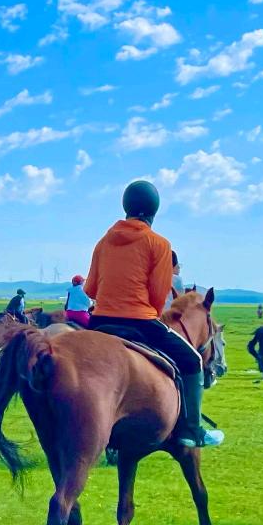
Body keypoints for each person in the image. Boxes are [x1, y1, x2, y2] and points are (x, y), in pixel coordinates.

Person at [85, 179, 223, 448]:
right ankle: (190, 430)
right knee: (192, 360)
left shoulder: (103, 242)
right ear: (154, 211)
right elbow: (159, 296)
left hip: (99, 321)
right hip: (140, 321)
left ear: (125, 207)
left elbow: (91, 289)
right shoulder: (158, 244)